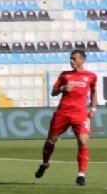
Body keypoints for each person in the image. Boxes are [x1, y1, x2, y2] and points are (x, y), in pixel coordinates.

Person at [35, 50, 97, 186]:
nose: (71, 61)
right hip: (63, 112)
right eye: (70, 59)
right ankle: (45, 163)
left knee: (83, 141)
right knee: (51, 140)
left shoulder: (91, 76)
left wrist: (93, 108)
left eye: (74, 59)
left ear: (82, 60)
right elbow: (53, 92)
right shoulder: (65, 75)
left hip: (80, 113)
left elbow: (93, 91)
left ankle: (81, 175)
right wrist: (62, 88)